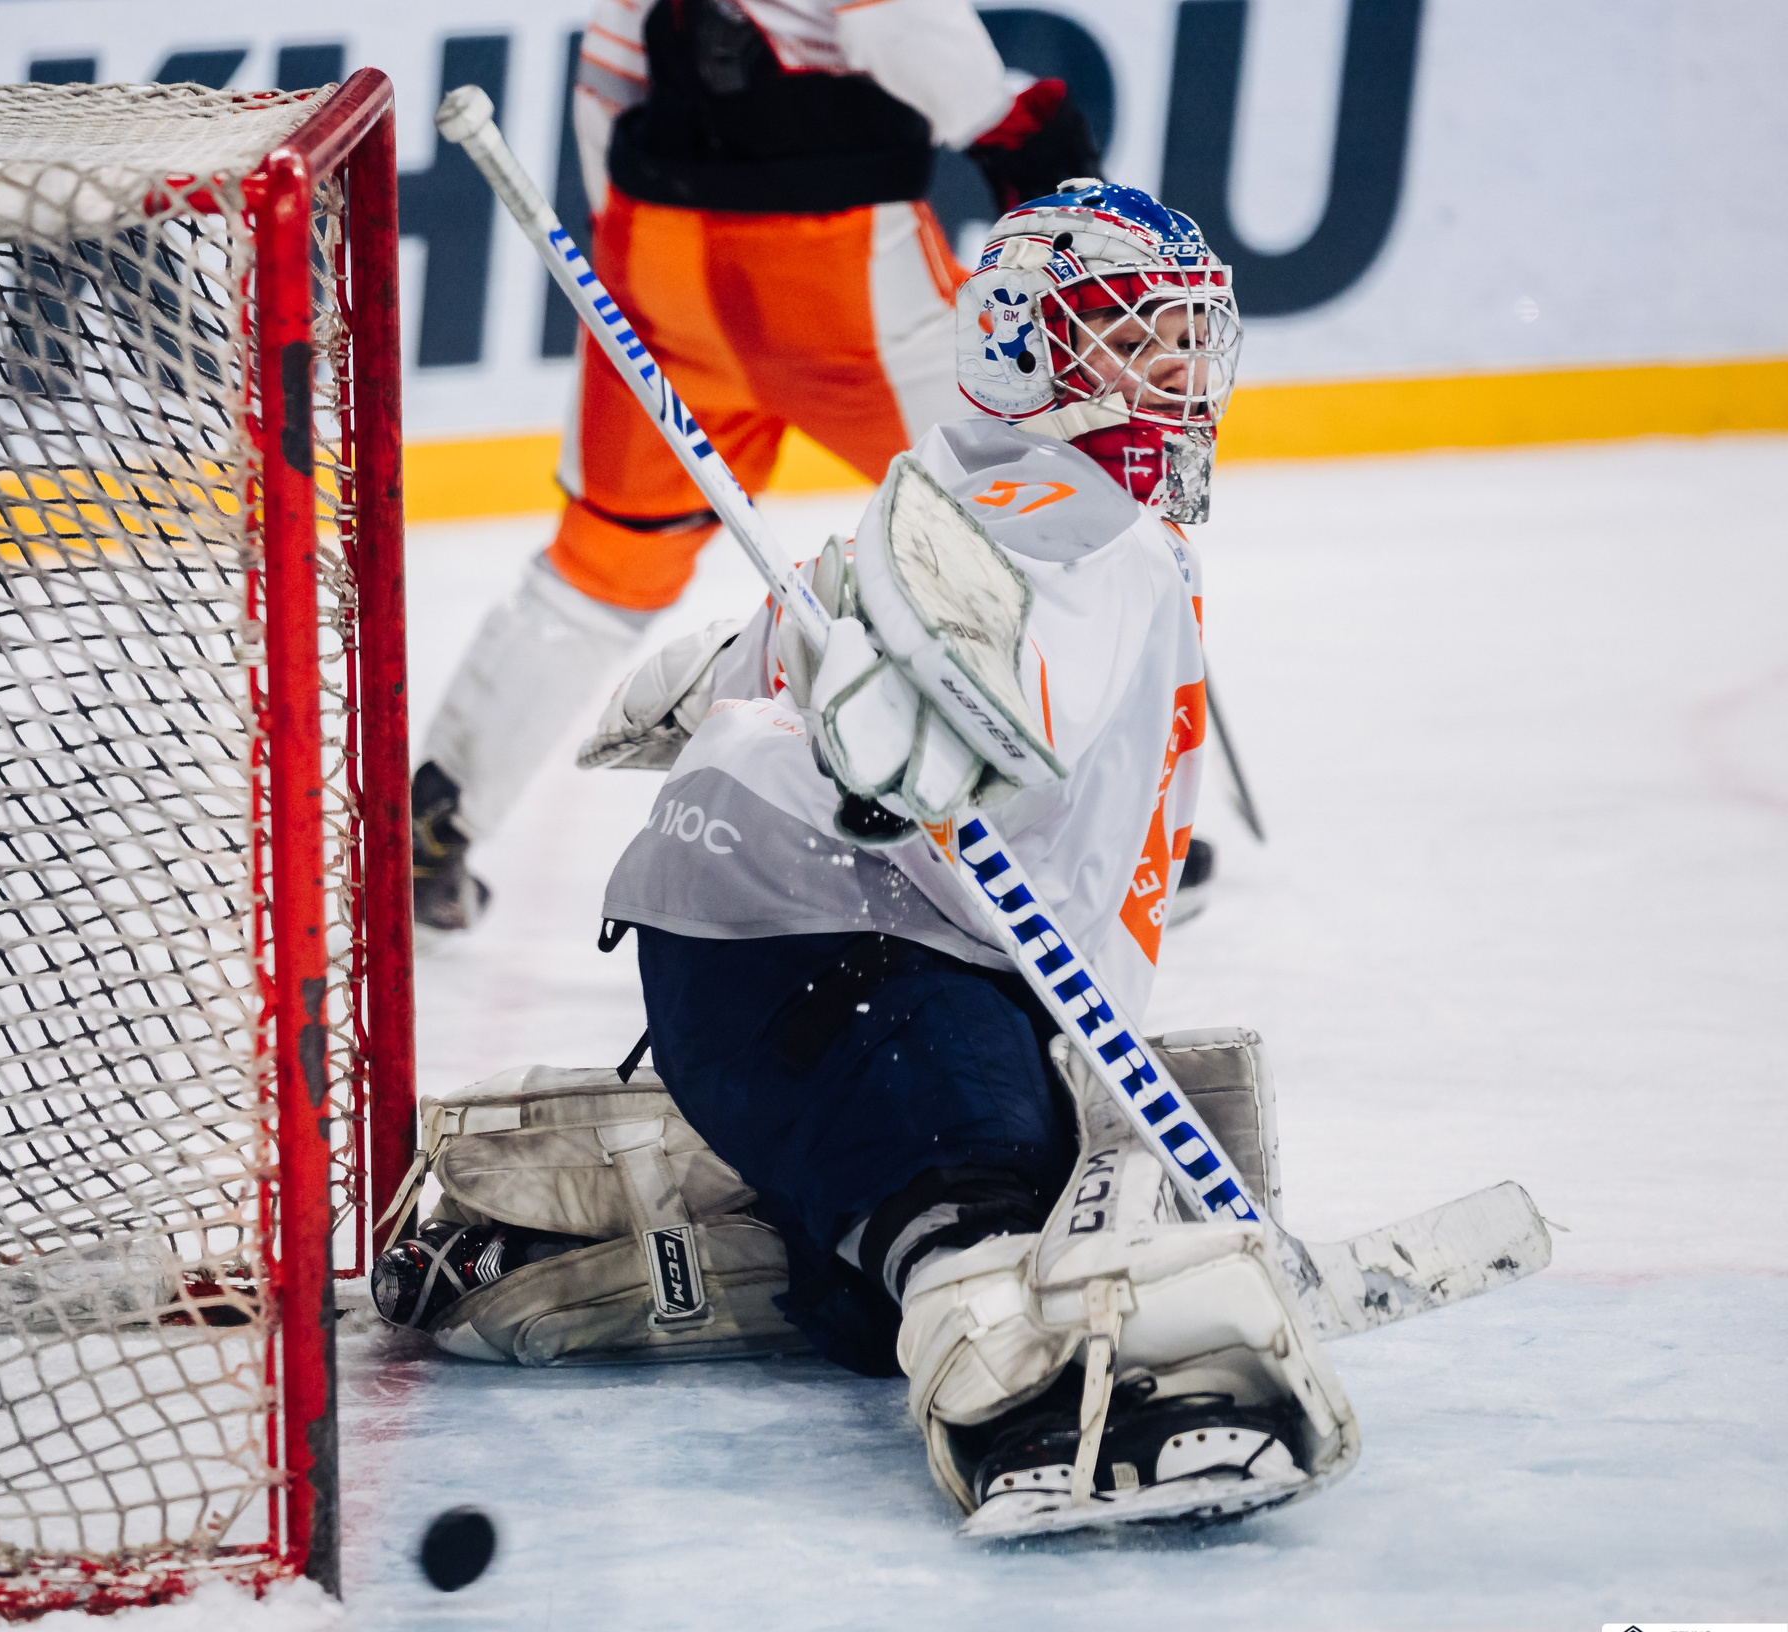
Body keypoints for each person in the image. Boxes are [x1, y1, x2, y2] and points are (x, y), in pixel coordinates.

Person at [383, 183, 1353, 1529]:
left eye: (1194, 340)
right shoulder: (1087, 525)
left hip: (779, 951)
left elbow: (835, 629)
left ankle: (629, 1227)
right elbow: (1000, 705)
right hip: (841, 954)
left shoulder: (973, 479)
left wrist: (734, 674)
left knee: (917, 1229)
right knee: (979, 1187)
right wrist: (929, 717)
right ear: (1029, 345)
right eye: (1141, 339)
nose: (1183, 379)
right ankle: (1029, 1396)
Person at [408, 0, 1101, 931]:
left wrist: (629, 254)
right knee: (1027, 515)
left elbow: (610, 84)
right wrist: (1015, 125)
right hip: (836, 272)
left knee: (601, 567)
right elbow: (911, 37)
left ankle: (434, 824)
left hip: (661, 264)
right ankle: (1079, 831)